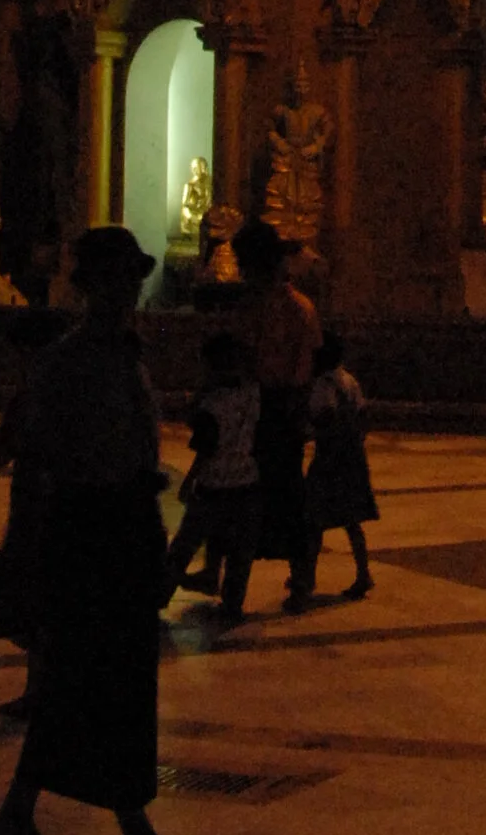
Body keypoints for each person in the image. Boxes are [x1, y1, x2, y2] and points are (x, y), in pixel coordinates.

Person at [0, 225, 207, 835]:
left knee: (90, 686)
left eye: (131, 280)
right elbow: (40, 463)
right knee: (105, 683)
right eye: (114, 279)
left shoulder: (118, 352)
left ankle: (24, 813)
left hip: (121, 526)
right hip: (88, 532)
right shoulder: (68, 361)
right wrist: (25, 555)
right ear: (88, 285)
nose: (127, 291)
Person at [237, 218, 322, 609]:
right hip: (260, 405)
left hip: (280, 407)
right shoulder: (263, 305)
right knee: (255, 496)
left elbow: (301, 368)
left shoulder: (293, 309)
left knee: (286, 496)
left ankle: (302, 578)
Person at [161, 325, 263, 623]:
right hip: (247, 482)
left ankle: (161, 592)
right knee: (239, 553)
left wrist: (190, 479)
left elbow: (206, 447)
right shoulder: (253, 393)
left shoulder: (211, 405)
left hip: (215, 485)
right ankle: (232, 605)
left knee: (185, 543)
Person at [305, 329, 378, 600]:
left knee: (313, 521)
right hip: (352, 459)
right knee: (352, 521)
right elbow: (362, 416)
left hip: (329, 461)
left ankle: (308, 577)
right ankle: (363, 573)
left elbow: (322, 419)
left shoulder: (323, 386)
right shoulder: (349, 381)